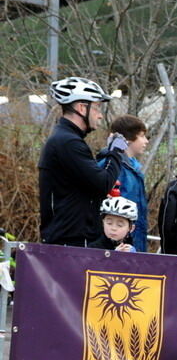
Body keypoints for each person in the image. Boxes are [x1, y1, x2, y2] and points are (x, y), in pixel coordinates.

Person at [38, 77, 125, 247]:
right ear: (81, 108)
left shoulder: (67, 139)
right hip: (70, 241)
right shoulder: (68, 142)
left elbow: (88, 184)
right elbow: (103, 183)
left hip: (70, 238)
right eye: (97, 108)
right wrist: (115, 153)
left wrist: (105, 155)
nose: (100, 115)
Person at [97, 115, 150, 252]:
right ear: (128, 139)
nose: (146, 141)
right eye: (142, 136)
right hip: (115, 248)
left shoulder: (134, 168)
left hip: (133, 242)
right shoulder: (111, 166)